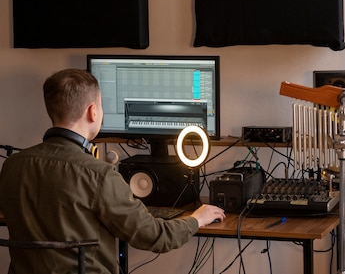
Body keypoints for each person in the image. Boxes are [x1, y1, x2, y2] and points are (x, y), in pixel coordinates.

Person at [0, 69, 225, 274]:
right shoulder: (99, 174)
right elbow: (153, 236)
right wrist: (196, 219)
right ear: (93, 111)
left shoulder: (13, 165)